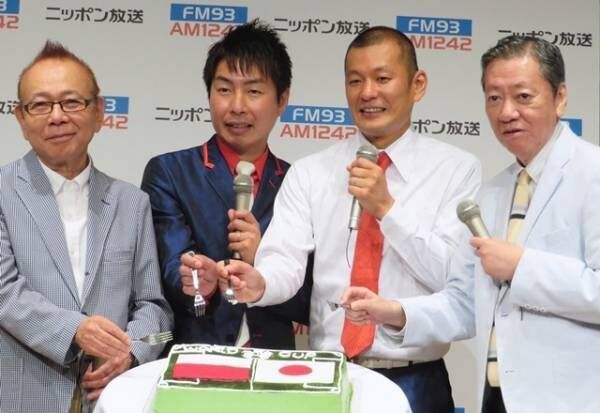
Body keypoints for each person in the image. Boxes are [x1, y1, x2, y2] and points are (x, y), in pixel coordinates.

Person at [212, 26, 481, 413]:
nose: (367, 93)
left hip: (415, 377)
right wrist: (261, 283)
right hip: (327, 376)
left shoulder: (456, 169)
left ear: (417, 85)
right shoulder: (311, 172)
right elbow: (284, 260)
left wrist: (386, 209)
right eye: (355, 81)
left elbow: (453, 279)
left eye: (382, 79)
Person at [344, 35, 600, 413]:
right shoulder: (493, 193)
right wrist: (394, 311)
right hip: (497, 398)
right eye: (494, 98)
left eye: (523, 96)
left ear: (560, 97)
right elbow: (465, 305)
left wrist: (522, 266)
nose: (506, 111)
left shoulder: (592, 173)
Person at [0, 41, 173, 413]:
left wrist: (130, 352)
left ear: (99, 113)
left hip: (110, 399)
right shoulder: (2, 192)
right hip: (21, 397)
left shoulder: (132, 203)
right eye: (40, 105)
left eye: (72, 102)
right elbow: (4, 292)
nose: (57, 117)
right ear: (21, 119)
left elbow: (153, 307)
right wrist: (75, 330)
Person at [141, 20, 311, 351]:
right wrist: (198, 284)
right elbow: (166, 275)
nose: (237, 106)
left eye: (254, 91)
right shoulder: (171, 172)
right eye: (224, 90)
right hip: (194, 358)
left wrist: (263, 260)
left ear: (282, 99)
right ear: (209, 94)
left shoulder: (300, 181)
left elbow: (312, 302)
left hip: (274, 365)